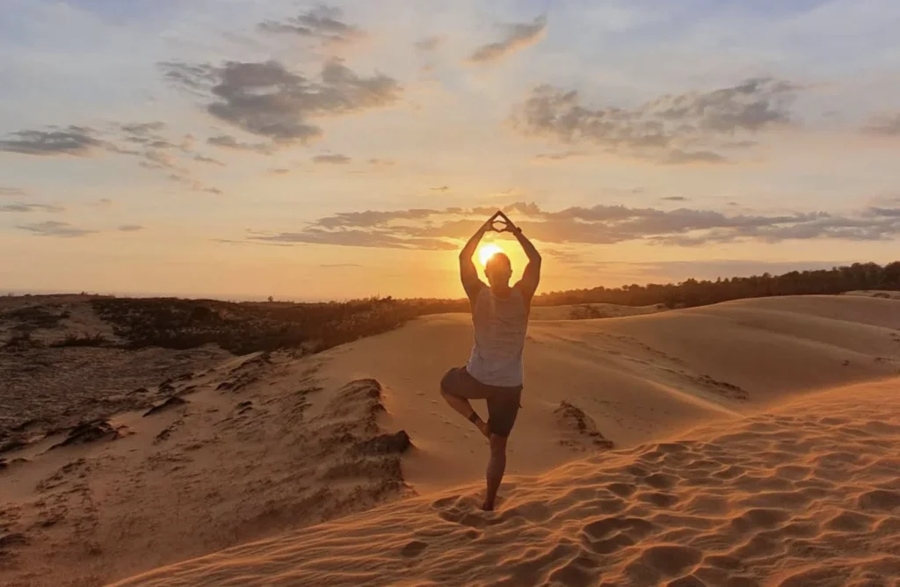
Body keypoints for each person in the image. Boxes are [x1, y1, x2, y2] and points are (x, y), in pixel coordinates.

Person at [439, 210, 542, 511]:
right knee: (498, 449)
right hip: (510, 386)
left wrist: (484, 230)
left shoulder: (477, 293)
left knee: (446, 385)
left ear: (488, 274)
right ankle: (488, 503)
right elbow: (535, 262)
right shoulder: (524, 294)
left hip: (478, 379)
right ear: (510, 273)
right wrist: (515, 232)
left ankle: (478, 424)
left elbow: (462, 258)